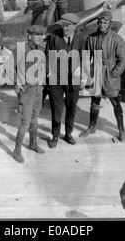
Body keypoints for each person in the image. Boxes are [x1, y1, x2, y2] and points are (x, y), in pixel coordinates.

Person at [79, 10, 125, 142]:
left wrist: (113, 74)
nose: (102, 24)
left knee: (116, 104)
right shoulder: (91, 38)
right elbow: (85, 57)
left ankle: (122, 131)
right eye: (100, 22)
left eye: (105, 22)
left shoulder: (117, 39)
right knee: (94, 103)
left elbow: (123, 60)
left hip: (110, 74)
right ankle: (92, 126)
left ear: (110, 23)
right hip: (96, 73)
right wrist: (88, 72)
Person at [45, 13, 84, 148]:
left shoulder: (80, 39)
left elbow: (85, 57)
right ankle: (55, 135)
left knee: (71, 107)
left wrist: (82, 71)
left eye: (67, 26)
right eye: (63, 26)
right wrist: (49, 72)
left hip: (74, 80)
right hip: (56, 79)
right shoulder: (54, 38)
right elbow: (47, 55)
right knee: (56, 108)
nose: (65, 29)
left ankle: (68, 133)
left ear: (74, 27)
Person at [11, 25, 47, 164]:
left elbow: (43, 66)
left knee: (35, 118)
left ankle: (33, 143)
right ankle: (17, 151)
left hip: (38, 89)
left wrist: (43, 80)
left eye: (42, 35)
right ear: (29, 36)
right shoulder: (21, 49)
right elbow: (9, 67)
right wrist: (16, 83)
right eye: (37, 35)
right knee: (25, 122)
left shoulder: (41, 49)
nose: (40, 37)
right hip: (26, 90)